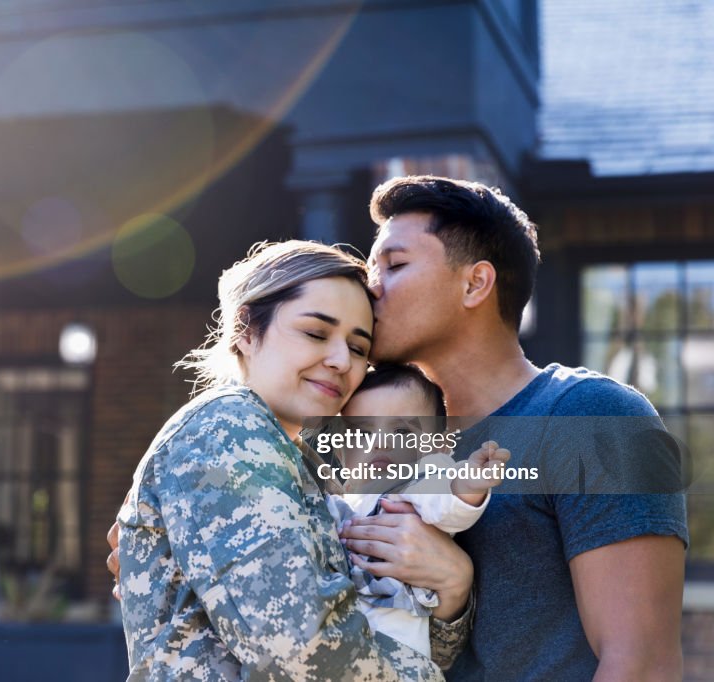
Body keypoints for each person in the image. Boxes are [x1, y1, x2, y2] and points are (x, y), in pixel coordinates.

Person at [339, 175, 688, 680]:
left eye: (394, 265)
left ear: (475, 283)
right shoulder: (381, 443)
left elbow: (642, 664)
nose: (370, 287)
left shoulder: (591, 417)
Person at [116, 240, 466, 680]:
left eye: (359, 348)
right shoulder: (228, 429)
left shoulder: (304, 462)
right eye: (316, 333)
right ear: (245, 328)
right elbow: (304, 651)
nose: (341, 361)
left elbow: (383, 638)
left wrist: (453, 587)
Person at [322, 363, 509, 659]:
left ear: (440, 446)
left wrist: (467, 483)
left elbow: (445, 502)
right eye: (361, 432)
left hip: (397, 645)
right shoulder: (340, 502)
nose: (379, 441)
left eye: (401, 430)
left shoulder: (415, 486)